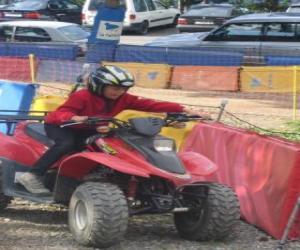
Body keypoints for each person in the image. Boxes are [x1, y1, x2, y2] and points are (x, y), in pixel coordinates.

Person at [16, 65, 210, 195]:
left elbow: (150, 104)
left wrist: (184, 109)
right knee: (67, 144)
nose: (119, 92)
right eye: (114, 87)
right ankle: (33, 174)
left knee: (112, 144)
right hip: (62, 126)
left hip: (90, 127)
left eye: (123, 89)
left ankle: (96, 178)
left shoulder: (122, 99)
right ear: (99, 85)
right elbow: (60, 113)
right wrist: (74, 117)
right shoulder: (82, 96)